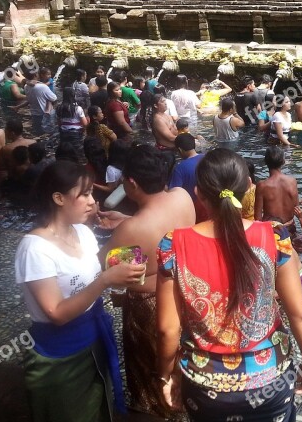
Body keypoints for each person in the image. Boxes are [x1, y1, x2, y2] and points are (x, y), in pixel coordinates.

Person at [155, 148, 302, 419]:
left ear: (199, 194)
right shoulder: (275, 235)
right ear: (248, 188)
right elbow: (298, 313)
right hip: (270, 377)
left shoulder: (173, 243)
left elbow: (166, 330)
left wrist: (165, 375)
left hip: (204, 383)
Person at [14, 160, 146, 422]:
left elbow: (92, 273)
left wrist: (120, 271)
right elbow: (57, 313)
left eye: (91, 194)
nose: (92, 201)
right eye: (84, 194)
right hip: (58, 351)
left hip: (93, 336)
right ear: (58, 198)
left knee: (98, 407)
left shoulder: (83, 233)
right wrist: (106, 281)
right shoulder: (34, 249)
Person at [98, 145, 195, 418]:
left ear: (131, 183)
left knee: (150, 360)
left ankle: (157, 408)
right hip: (186, 289)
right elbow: (160, 235)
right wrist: (127, 221)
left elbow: (109, 265)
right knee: (179, 350)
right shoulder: (182, 197)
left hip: (151, 303)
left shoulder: (133, 229)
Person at [254, 146, 299, 231]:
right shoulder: (292, 181)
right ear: (283, 161)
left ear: (265, 162)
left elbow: (257, 218)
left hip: (271, 231)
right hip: (290, 229)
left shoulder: (262, 186)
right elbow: (296, 209)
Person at [168, 133, 207, 222]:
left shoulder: (180, 168)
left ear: (180, 150)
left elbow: (174, 193)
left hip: (192, 210)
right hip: (210, 205)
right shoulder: (208, 158)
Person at [26, 67, 57, 137]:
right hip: (44, 114)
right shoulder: (42, 87)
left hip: (34, 113)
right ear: (35, 75)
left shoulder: (26, 86)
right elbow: (54, 98)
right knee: (49, 134)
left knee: (37, 133)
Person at [58, 87, 88, 155]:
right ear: (73, 95)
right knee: (76, 151)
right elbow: (85, 123)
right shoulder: (78, 108)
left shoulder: (59, 107)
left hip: (63, 131)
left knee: (65, 149)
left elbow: (59, 122)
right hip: (75, 133)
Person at [150, 95, 177, 170]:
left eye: (165, 101)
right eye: (162, 101)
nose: (165, 103)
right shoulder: (158, 120)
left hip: (174, 149)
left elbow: (176, 131)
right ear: (155, 105)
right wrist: (188, 138)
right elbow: (170, 138)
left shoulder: (167, 115)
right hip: (165, 152)